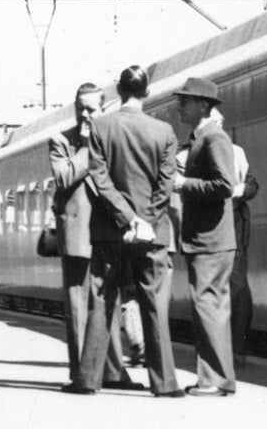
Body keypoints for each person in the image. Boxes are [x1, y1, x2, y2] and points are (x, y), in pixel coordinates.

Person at [84, 64, 182, 397]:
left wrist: (127, 219)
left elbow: (100, 178)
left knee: (101, 300)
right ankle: (165, 383)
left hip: (110, 231)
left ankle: (87, 379)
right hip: (152, 235)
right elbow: (165, 185)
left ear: (119, 92)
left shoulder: (100, 127)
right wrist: (146, 221)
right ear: (146, 92)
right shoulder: (165, 131)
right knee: (154, 304)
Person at [47, 81, 138, 394]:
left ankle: (113, 372)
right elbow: (63, 176)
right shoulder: (61, 140)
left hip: (110, 232)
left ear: (103, 109)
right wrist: (88, 147)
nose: (85, 114)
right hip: (77, 234)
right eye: (80, 108)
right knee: (78, 306)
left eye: (92, 109)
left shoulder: (113, 137)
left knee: (108, 306)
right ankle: (83, 375)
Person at [170, 76, 239, 397]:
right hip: (208, 239)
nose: (179, 105)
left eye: (185, 100)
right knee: (210, 306)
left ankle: (213, 380)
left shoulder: (214, 139)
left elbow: (225, 185)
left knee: (207, 306)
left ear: (203, 105)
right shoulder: (203, 137)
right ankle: (216, 378)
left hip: (210, 239)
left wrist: (184, 184)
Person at [229, 144, 259, 359]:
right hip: (212, 224)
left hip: (235, 225)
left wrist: (241, 189)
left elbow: (252, 184)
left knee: (238, 287)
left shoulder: (236, 152)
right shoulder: (193, 152)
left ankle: (237, 347)